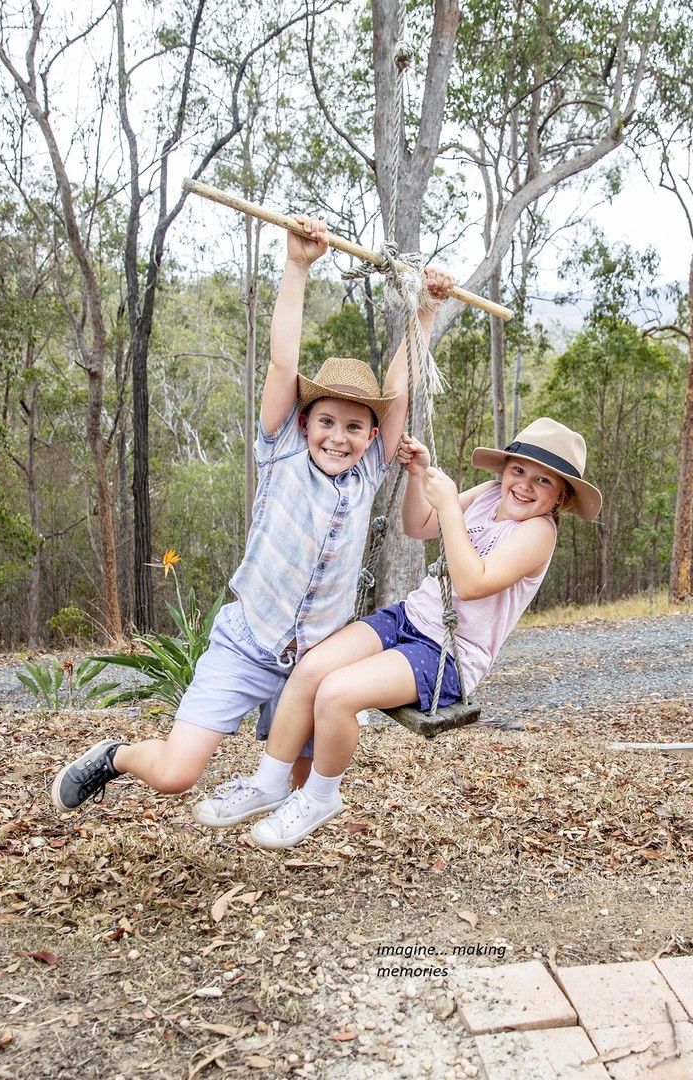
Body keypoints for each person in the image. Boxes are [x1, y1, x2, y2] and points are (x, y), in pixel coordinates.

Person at [51, 215, 454, 821]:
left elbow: (396, 391)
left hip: (314, 656)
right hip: (247, 643)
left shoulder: (370, 470)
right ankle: (116, 755)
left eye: (353, 427)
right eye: (326, 421)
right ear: (302, 422)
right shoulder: (282, 451)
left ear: (372, 436)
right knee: (175, 775)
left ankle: (277, 832)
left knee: (295, 781)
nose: (338, 437)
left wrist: (423, 312)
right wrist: (297, 267)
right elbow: (282, 363)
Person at [232, 416, 603, 849]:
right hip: (408, 617)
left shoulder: (538, 532)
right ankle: (269, 781)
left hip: (450, 654)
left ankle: (319, 797)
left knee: (336, 693)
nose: (524, 485)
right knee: (310, 669)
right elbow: (420, 526)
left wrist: (448, 506)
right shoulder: (486, 495)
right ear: (504, 470)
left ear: (560, 498)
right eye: (518, 470)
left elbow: (472, 583)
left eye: (544, 481)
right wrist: (417, 476)